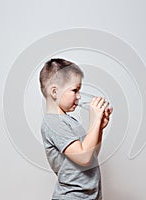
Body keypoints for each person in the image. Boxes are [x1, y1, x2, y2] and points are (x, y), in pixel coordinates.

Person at [39, 58, 113, 200]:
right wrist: (95, 119)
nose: (79, 96)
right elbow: (83, 158)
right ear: (54, 92)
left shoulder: (69, 121)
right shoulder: (53, 123)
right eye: (75, 90)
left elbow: (91, 156)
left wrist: (99, 128)